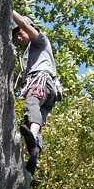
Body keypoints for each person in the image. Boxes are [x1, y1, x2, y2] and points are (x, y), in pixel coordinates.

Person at [12, 10, 58, 176]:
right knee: (31, 119)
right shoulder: (28, 57)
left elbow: (23, 24)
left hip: (42, 83)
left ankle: (33, 134)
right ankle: (34, 155)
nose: (18, 37)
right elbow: (23, 82)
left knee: (30, 104)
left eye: (20, 33)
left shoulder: (40, 41)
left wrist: (9, 9)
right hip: (49, 93)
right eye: (15, 36)